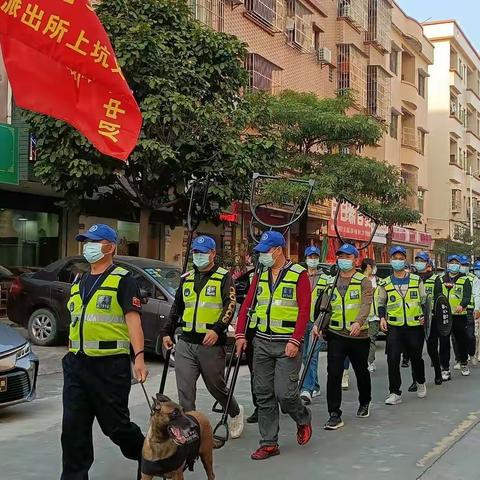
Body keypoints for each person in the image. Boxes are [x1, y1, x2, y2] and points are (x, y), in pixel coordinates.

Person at [61, 224, 147, 480]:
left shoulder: (123, 279)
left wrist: (139, 357)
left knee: (117, 427)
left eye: (94, 241)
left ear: (110, 247)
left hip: (109, 367)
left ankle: (151, 456)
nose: (88, 246)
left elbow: (134, 322)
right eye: (86, 241)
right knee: (73, 430)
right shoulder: (79, 280)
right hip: (76, 364)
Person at [235, 231, 312, 460]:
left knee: (286, 394)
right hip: (261, 342)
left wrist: (295, 340)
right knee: (263, 393)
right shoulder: (259, 275)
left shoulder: (299, 274)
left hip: (287, 343)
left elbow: (304, 310)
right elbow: (248, 304)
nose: (261, 256)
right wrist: (240, 334)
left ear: (278, 250)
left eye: (265, 251)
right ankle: (269, 442)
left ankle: (302, 417)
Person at [161, 235, 244, 440]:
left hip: (211, 344)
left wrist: (217, 329)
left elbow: (230, 306)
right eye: (196, 252)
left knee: (216, 387)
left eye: (203, 252)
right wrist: (166, 331)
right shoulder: (187, 278)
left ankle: (234, 411)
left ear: (213, 254)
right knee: (185, 391)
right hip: (186, 342)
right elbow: (176, 308)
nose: (199, 256)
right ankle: (191, 431)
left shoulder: (224, 277)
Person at [314, 243, 373, 430]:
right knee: (334, 374)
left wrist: (358, 321)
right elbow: (325, 308)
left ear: (356, 260)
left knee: (361, 371)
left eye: (348, 257)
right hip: (336, 334)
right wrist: (318, 324)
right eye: (341, 256)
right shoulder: (331, 282)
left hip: (358, 335)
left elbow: (366, 304)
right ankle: (334, 413)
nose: (343, 260)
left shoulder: (363, 281)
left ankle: (365, 401)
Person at [379, 246, 427, 405]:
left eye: (401, 258)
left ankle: (420, 382)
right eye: (395, 258)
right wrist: (381, 318)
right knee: (392, 359)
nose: (397, 261)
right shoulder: (385, 283)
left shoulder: (416, 280)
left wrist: (424, 317)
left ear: (405, 260)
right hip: (394, 327)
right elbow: (381, 303)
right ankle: (394, 392)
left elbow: (424, 300)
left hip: (414, 326)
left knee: (416, 357)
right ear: (390, 260)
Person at [300, 245, 328, 405]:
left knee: (312, 355)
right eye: (310, 257)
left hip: (317, 323)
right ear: (306, 259)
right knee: (305, 356)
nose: (313, 260)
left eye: (315, 257)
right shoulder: (301, 276)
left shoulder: (325, 279)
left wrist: (321, 324)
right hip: (302, 322)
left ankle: (307, 389)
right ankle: (315, 384)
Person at [439, 254, 472, 379]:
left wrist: (462, 305)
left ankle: (463, 362)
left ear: (459, 265)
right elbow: (438, 295)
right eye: (451, 262)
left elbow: (467, 297)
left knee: (461, 341)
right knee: (444, 342)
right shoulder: (441, 279)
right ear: (447, 264)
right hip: (444, 315)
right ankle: (445, 368)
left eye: (456, 263)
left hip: (459, 315)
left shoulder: (465, 280)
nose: (453, 265)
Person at [413, 252, 444, 386]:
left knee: (432, 349)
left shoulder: (435, 279)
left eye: (422, 260)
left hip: (431, 320)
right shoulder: (412, 278)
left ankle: (438, 373)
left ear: (428, 264)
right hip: (415, 319)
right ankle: (416, 380)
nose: (419, 262)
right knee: (415, 352)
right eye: (417, 260)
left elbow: (439, 298)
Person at [362, 258, 380, 373]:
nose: (375, 268)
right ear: (368, 266)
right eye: (373, 266)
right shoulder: (359, 280)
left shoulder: (379, 281)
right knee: (362, 341)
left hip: (374, 316)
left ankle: (370, 361)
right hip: (362, 316)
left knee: (371, 339)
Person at [472, 260, 480, 364]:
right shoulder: (473, 281)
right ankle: (473, 353)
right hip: (475, 310)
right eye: (476, 270)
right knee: (475, 333)